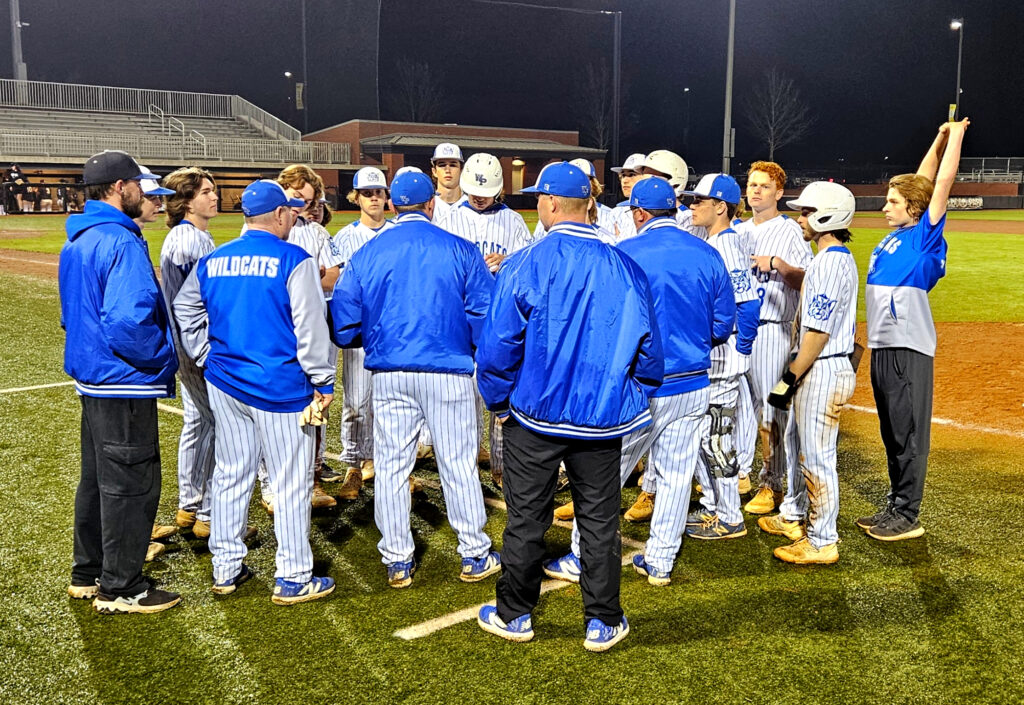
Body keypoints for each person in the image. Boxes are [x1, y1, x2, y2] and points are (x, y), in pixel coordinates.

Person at [475, 161, 663, 653]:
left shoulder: (527, 260)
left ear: (554, 204)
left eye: (540, 197)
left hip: (533, 417)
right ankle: (603, 620)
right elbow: (650, 354)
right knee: (600, 521)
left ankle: (515, 614)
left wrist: (499, 403)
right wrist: (634, 391)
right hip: (601, 421)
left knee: (525, 519)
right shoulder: (625, 265)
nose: (538, 204)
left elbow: (498, 346)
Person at [543, 177, 734, 587]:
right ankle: (661, 561)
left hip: (639, 385)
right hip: (694, 381)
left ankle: (581, 557)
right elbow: (722, 325)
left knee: (606, 475)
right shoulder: (707, 253)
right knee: (677, 474)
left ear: (640, 213)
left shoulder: (624, 253)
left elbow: (606, 324)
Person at [329, 170, 500, 589]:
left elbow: (344, 323)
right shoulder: (461, 249)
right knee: (457, 463)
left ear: (393, 204)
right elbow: (485, 316)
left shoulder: (368, 252)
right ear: (431, 204)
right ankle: (475, 553)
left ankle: (397, 560)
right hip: (451, 372)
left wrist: (374, 337)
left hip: (389, 373)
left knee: (390, 466)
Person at [173, 180, 337, 604]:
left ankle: (225, 569)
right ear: (279, 215)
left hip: (226, 382)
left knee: (230, 475)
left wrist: (204, 352)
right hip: (281, 388)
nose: (296, 217)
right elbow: (310, 327)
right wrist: (322, 380)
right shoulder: (294, 259)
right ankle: (294, 576)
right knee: (289, 483)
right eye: (292, 212)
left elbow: (184, 306)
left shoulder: (214, 259)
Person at [59, 150, 180, 614]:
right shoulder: (122, 241)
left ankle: (88, 574)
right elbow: (129, 322)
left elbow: (74, 313)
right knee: (133, 483)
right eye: (138, 185)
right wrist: (163, 357)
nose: (144, 194)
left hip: (93, 378)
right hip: (123, 379)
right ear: (119, 188)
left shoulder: (80, 238)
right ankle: (121, 586)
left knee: (96, 480)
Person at [858, 119, 970, 541]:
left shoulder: (923, 236)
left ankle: (908, 515)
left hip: (908, 348)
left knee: (908, 434)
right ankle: (895, 504)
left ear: (913, 208)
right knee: (892, 432)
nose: (885, 207)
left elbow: (937, 186)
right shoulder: (899, 235)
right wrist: (937, 139)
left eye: (892, 201)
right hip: (884, 346)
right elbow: (923, 180)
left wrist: (956, 139)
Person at [759, 181, 858, 564]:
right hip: (821, 366)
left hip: (820, 366)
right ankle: (797, 517)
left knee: (816, 458)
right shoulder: (829, 258)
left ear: (827, 216)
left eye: (806, 212)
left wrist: (789, 378)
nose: (800, 218)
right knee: (799, 448)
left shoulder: (832, 261)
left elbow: (817, 332)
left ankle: (822, 540)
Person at [160, 166, 244, 542]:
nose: (214, 196)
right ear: (186, 200)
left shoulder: (190, 236)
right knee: (221, 425)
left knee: (198, 423)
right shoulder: (190, 240)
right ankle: (210, 515)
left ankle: (190, 505)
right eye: (206, 191)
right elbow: (196, 304)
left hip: (185, 345)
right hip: (197, 346)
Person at [680, 173, 759, 540]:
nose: (692, 206)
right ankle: (714, 507)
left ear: (720, 207)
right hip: (710, 358)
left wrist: (738, 353)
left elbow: (749, 304)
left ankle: (730, 517)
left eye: (699, 201)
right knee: (701, 436)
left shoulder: (727, 245)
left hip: (722, 360)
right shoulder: (710, 239)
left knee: (716, 438)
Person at [733, 161, 813, 514]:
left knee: (771, 410)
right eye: (751, 185)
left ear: (779, 193)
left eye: (764, 186)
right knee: (740, 410)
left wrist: (779, 264)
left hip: (772, 330)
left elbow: (807, 280)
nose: (755, 191)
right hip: (740, 331)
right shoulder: (738, 230)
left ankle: (772, 482)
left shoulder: (789, 231)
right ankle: (740, 473)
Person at [330, 167, 395, 499]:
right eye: (367, 192)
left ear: (387, 196)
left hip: (391, 330)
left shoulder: (398, 233)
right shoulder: (344, 237)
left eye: (379, 192)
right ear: (355, 197)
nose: (373, 197)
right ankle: (354, 465)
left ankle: (387, 464)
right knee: (356, 402)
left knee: (390, 401)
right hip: (358, 331)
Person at [532, 158, 616, 244]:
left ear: (594, 183)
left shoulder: (609, 215)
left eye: (584, 178)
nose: (576, 183)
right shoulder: (548, 216)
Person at [608, 153, 645, 242]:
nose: (625, 180)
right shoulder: (616, 212)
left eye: (632, 175)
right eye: (623, 175)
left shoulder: (660, 210)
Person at [430, 142, 467, 229]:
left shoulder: (471, 205)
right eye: (442, 165)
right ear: (434, 171)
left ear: (461, 170)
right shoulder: (427, 206)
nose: (447, 170)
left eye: (453, 165)